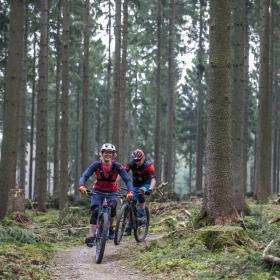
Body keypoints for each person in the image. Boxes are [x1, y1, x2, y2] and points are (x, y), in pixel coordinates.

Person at [79, 143, 133, 247]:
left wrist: (130, 191)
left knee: (112, 207)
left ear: (113, 155)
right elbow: (85, 175)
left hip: (112, 192)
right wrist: (81, 185)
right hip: (98, 191)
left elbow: (127, 179)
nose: (107, 155)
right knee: (95, 210)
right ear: (101, 153)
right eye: (105, 152)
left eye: (110, 153)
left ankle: (110, 228)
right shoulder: (96, 165)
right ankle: (91, 235)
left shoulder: (117, 166)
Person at [124, 148, 156, 235]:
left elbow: (153, 179)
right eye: (135, 160)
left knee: (140, 194)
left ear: (143, 157)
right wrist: (114, 182)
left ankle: (142, 216)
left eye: (139, 160)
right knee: (131, 202)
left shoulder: (149, 165)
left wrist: (150, 189)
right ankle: (129, 227)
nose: (137, 162)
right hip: (135, 185)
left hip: (146, 184)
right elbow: (122, 173)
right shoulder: (131, 164)